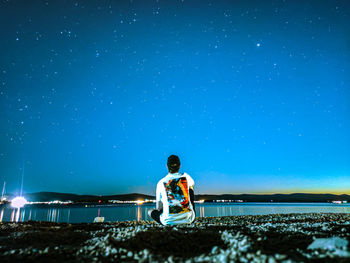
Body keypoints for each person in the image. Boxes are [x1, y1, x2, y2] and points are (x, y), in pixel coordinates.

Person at [148, 155, 196, 225]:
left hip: (168, 221)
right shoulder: (186, 177)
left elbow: (159, 207)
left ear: (167, 166)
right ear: (180, 165)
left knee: (150, 211)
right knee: (190, 188)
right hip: (189, 219)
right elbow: (192, 185)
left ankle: (170, 216)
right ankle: (189, 213)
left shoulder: (161, 182)